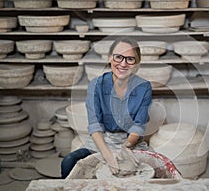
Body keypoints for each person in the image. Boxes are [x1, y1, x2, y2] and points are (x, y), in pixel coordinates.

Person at [61, 36, 152, 179]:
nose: (123, 63)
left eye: (130, 59)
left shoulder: (144, 87)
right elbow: (95, 125)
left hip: (130, 141)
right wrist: (108, 155)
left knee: (156, 168)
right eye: (118, 57)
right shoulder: (96, 85)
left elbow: (138, 126)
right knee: (68, 162)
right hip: (102, 139)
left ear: (136, 63)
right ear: (110, 58)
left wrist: (125, 147)